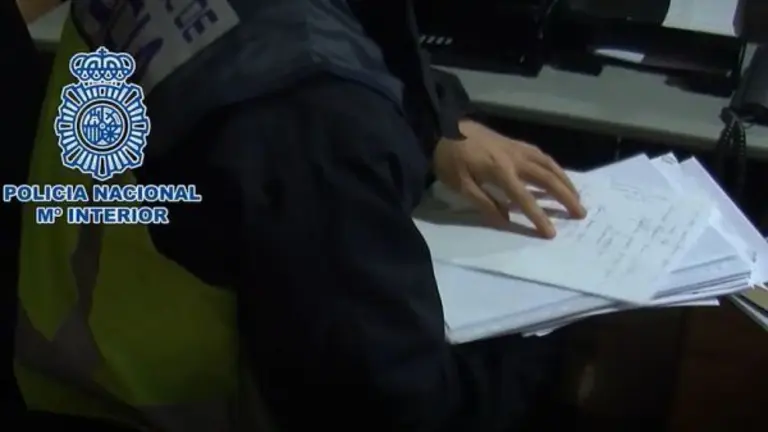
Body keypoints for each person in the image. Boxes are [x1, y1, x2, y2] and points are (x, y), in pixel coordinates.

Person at [16, 1, 585, 431]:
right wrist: (567, 344)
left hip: (67, 371)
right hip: (179, 410)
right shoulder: (313, 119)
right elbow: (393, 410)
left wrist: (434, 124)